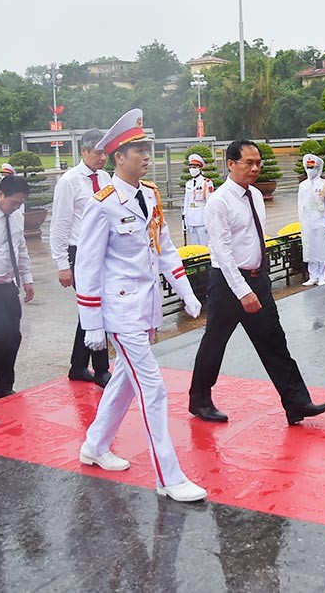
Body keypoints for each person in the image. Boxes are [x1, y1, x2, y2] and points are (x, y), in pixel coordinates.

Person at [73, 108, 206, 503]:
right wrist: (91, 322)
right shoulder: (103, 204)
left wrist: (186, 291)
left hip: (146, 308)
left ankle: (95, 444)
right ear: (118, 157)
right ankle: (169, 477)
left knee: (125, 382)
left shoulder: (149, 194)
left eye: (147, 149)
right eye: (138, 151)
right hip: (120, 312)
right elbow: (87, 265)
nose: (146, 156)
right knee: (153, 388)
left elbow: (163, 248)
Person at [188, 140, 325, 427]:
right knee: (215, 343)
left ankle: (297, 403)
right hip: (229, 284)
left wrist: (259, 280)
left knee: (274, 342)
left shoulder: (255, 195)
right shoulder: (219, 202)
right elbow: (222, 252)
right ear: (231, 164)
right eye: (249, 163)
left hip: (257, 279)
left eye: (258, 163)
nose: (255, 168)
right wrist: (243, 291)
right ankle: (200, 399)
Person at [50, 128, 112, 386]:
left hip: (104, 250)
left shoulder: (106, 177)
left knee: (92, 308)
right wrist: (62, 264)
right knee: (95, 305)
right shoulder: (69, 181)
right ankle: (101, 369)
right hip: (80, 251)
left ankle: (78, 366)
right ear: (84, 151)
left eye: (105, 153)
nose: (103, 158)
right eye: (98, 152)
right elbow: (60, 225)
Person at [0, 174, 34, 399]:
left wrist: (27, 277)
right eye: (13, 202)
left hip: (8, 284)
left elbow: (20, 247)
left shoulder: (16, 214)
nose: (16, 207)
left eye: (20, 203)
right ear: (0, 194)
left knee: (13, 336)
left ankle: (3, 384)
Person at [297, 153, 325, 286]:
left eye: (313, 168)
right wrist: (301, 220)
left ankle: (322, 276)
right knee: (309, 249)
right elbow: (300, 204)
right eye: (308, 167)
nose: (310, 170)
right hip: (307, 223)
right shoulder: (303, 185)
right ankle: (312, 276)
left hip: (320, 221)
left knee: (322, 249)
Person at [182, 153, 213, 246]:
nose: (192, 169)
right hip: (191, 219)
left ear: (200, 168)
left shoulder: (206, 183)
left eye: (194, 167)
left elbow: (210, 203)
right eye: (191, 167)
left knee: (204, 247)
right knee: (194, 247)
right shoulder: (188, 184)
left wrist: (209, 222)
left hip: (201, 219)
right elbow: (186, 203)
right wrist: (184, 221)